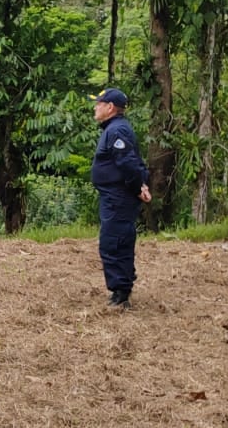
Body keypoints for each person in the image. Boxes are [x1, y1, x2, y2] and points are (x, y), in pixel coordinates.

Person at [89, 87, 151, 309]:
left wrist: (137, 187)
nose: (95, 108)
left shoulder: (117, 131)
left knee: (114, 242)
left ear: (110, 107)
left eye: (99, 104)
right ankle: (121, 288)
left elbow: (128, 164)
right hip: (114, 196)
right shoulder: (114, 129)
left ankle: (120, 294)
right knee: (117, 240)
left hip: (119, 197)